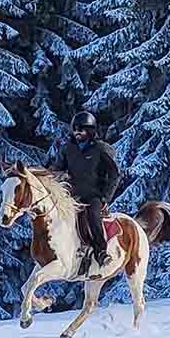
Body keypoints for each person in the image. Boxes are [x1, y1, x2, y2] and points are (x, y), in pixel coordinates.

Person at [52, 111, 120, 268]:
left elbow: (114, 174)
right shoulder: (68, 149)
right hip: (72, 195)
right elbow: (57, 167)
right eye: (75, 129)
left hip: (94, 195)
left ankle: (101, 251)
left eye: (81, 129)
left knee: (93, 217)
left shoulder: (100, 150)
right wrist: (52, 174)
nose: (77, 133)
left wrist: (105, 197)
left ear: (90, 131)